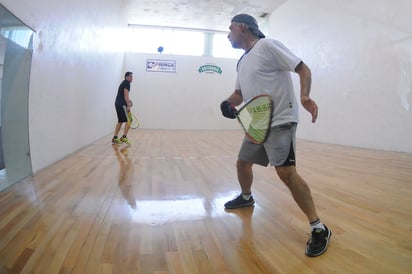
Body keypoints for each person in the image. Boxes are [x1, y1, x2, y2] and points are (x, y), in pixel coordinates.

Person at [220, 14, 331, 257]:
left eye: (230, 29)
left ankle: (318, 227)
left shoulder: (267, 46)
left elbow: (303, 68)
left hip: (281, 118)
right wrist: (228, 103)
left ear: (241, 27)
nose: (228, 35)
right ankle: (247, 198)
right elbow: (239, 93)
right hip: (257, 122)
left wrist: (304, 96)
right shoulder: (242, 61)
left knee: (286, 172)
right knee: (242, 163)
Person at [112, 71, 133, 145]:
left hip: (118, 103)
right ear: (126, 77)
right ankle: (124, 137)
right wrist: (128, 105)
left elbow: (123, 95)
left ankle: (115, 138)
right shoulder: (126, 83)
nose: (132, 78)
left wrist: (129, 101)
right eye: (130, 76)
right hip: (122, 105)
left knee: (120, 121)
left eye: (132, 76)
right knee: (129, 119)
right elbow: (125, 95)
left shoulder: (124, 83)